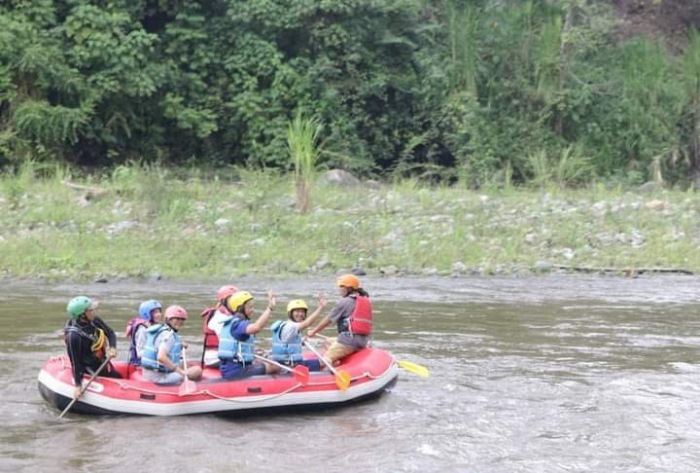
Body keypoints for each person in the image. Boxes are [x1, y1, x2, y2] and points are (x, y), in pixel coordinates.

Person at [307, 274, 373, 367]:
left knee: (325, 359)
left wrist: (314, 331)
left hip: (348, 341)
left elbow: (328, 320)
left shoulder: (344, 302)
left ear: (349, 288)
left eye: (342, 286)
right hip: (363, 341)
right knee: (327, 341)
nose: (339, 289)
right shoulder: (365, 300)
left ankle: (330, 366)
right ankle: (337, 362)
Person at [64, 296, 121, 400]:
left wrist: (112, 347)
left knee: (120, 378)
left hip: (102, 362)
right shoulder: (73, 336)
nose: (94, 312)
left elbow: (110, 333)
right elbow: (75, 362)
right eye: (91, 310)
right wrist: (78, 385)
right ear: (82, 315)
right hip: (90, 369)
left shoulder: (94, 321)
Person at [218, 290, 280, 379]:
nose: (253, 310)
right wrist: (270, 308)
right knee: (275, 366)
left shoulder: (233, 322)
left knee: (264, 362)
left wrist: (252, 352)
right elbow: (256, 328)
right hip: (237, 371)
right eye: (250, 307)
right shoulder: (237, 324)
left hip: (232, 368)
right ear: (241, 308)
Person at [141, 305, 203, 385]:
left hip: (148, 374)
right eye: (176, 319)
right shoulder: (169, 335)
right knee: (197, 370)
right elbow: (161, 357)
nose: (180, 322)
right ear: (168, 319)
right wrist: (179, 371)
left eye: (182, 319)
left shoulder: (161, 330)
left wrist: (180, 344)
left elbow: (161, 344)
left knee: (186, 365)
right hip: (159, 378)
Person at [270, 295, 328, 371]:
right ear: (290, 313)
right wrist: (321, 308)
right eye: (297, 311)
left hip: (285, 363)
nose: (300, 314)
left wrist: (302, 341)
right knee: (327, 363)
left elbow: (288, 343)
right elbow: (308, 323)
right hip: (292, 366)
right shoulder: (291, 327)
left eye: (302, 312)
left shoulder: (284, 324)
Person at [200, 285, 238, 367]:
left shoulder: (230, 316)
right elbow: (226, 344)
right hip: (215, 357)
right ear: (223, 301)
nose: (236, 302)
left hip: (224, 355)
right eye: (232, 299)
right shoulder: (219, 318)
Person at [125, 299, 163, 366]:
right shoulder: (142, 329)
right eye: (155, 312)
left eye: (159, 312)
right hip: (140, 364)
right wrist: (159, 353)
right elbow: (140, 352)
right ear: (146, 313)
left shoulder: (154, 326)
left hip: (152, 361)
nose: (159, 314)